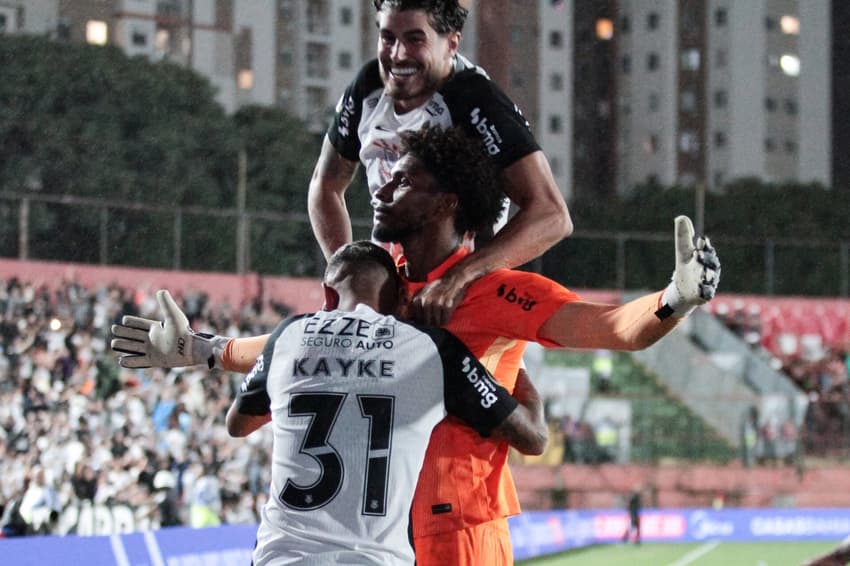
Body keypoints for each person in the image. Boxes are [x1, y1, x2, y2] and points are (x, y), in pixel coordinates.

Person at [112, 126, 720, 565]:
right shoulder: (383, 277)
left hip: (458, 531)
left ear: (447, 203)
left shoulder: (499, 290)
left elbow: (613, 328)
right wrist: (204, 350)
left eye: (404, 181)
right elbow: (300, 345)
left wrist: (674, 298)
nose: (382, 186)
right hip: (377, 535)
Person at [230, 240, 545, 564]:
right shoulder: (430, 349)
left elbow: (237, 423)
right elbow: (533, 437)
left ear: (327, 295)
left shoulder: (289, 335)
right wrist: (515, 366)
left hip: (280, 558)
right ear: (401, 299)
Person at [310, 0, 572, 325]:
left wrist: (456, 280)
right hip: (394, 288)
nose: (397, 54)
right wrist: (350, 275)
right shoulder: (366, 87)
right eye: (388, 37)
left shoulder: (475, 100)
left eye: (415, 39)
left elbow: (552, 215)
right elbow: (325, 185)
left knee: (489, 374)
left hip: (456, 296)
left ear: (451, 43)